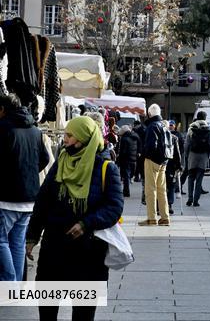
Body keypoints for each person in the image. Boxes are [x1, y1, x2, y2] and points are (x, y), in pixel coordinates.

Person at [26, 115, 123, 321]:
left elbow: (114, 207)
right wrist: (32, 236)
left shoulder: (106, 168)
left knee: (83, 312)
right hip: (54, 248)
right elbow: (43, 201)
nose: (65, 139)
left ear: (83, 138)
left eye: (70, 135)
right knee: (47, 308)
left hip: (88, 253)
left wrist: (86, 223)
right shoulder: (61, 161)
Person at [0, 92, 50, 282]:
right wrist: (28, 173)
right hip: (29, 198)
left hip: (6, 198)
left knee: (2, 241)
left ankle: (9, 282)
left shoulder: (3, 129)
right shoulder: (35, 131)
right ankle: (15, 286)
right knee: (17, 242)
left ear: (2, 109)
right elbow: (44, 159)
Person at [139, 103, 170, 227]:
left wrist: (145, 155)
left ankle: (152, 218)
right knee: (162, 190)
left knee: (150, 189)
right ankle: (165, 217)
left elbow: (151, 145)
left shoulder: (152, 126)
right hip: (163, 161)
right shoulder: (163, 125)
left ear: (149, 114)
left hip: (152, 160)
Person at [184, 110, 210, 207]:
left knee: (190, 178)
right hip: (203, 157)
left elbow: (187, 144)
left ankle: (190, 199)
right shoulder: (208, 129)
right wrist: (207, 156)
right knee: (199, 180)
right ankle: (196, 201)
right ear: (205, 118)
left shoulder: (191, 128)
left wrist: (187, 155)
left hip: (192, 156)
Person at [116, 125, 140, 198]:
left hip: (126, 159)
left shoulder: (124, 139)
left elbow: (122, 151)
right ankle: (126, 189)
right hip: (134, 159)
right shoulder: (135, 137)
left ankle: (126, 192)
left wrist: (119, 160)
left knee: (126, 176)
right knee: (129, 175)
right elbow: (139, 147)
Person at [165, 120, 183, 213]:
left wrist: (179, 165)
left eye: (172, 125)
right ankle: (167, 204)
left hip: (169, 165)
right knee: (169, 185)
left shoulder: (176, 136)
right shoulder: (174, 137)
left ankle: (168, 204)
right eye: (170, 125)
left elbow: (179, 152)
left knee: (169, 185)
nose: (171, 127)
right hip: (168, 164)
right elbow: (178, 153)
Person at [132, 116, 146, 182]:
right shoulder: (144, 129)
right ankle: (140, 176)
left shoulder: (137, 131)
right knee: (140, 164)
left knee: (138, 164)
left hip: (138, 149)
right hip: (143, 149)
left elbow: (139, 141)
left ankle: (137, 176)